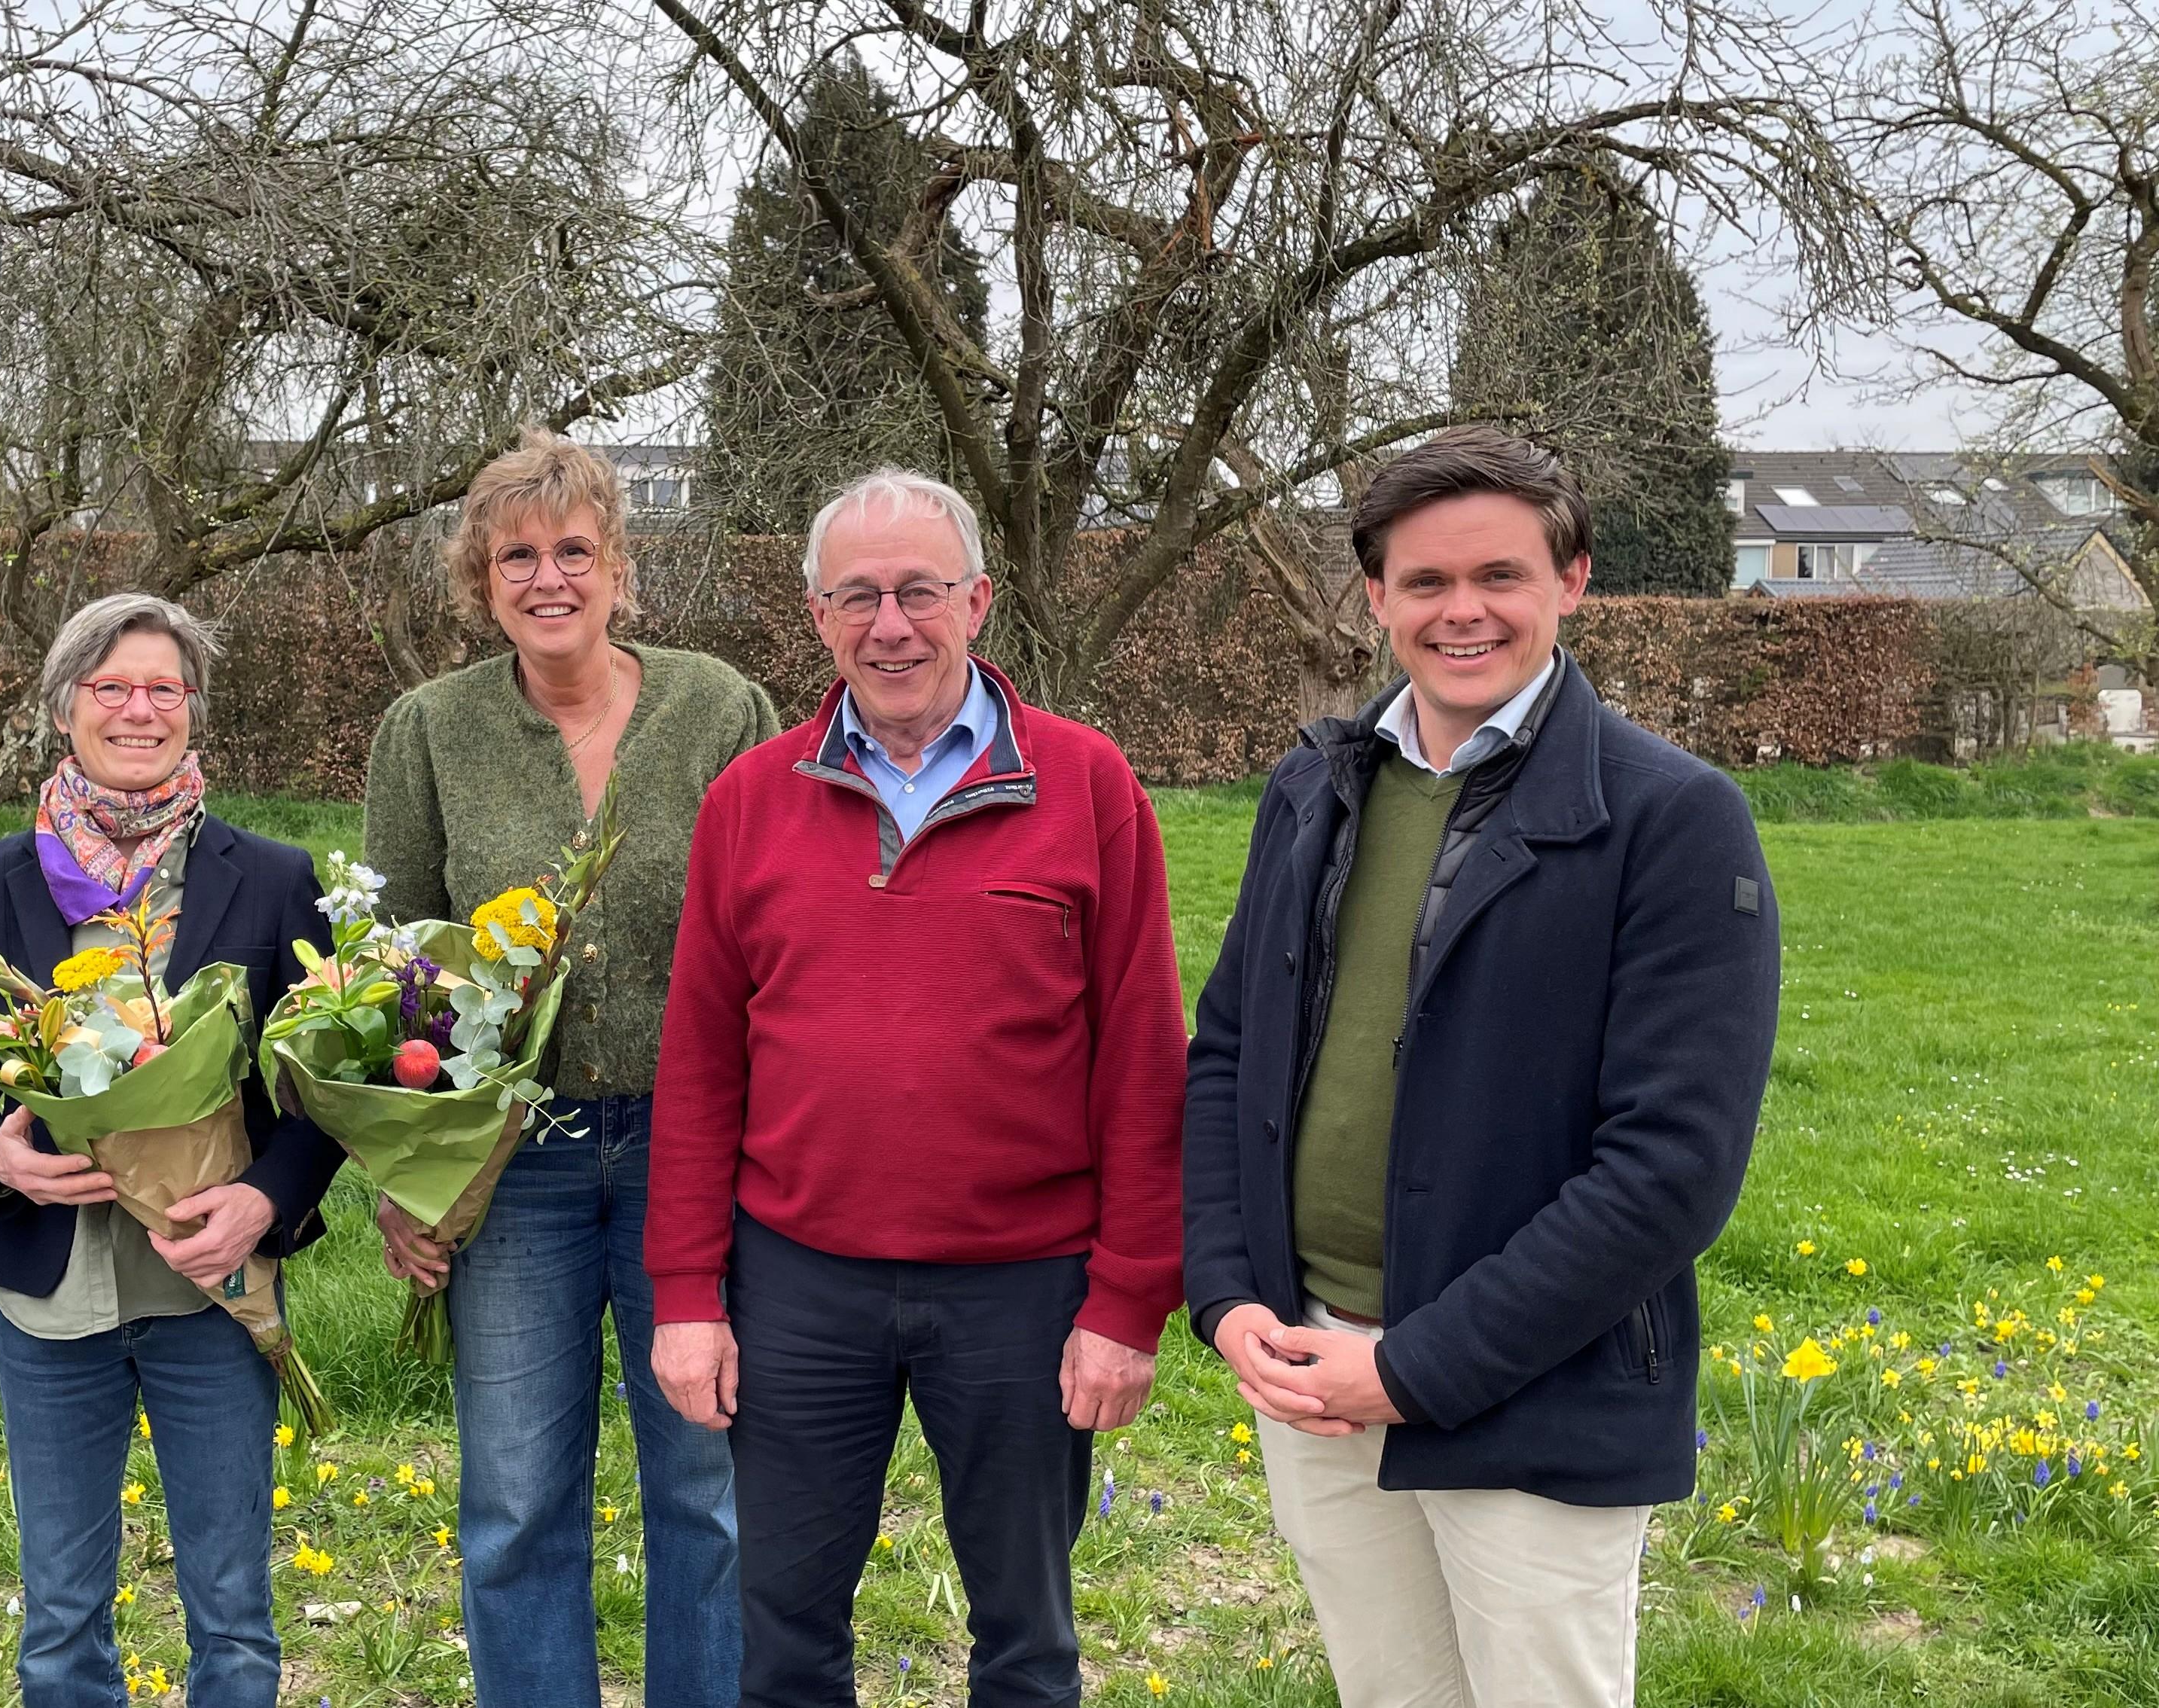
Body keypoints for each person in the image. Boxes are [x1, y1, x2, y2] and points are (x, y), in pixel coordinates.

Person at [1182, 428, 1781, 1708]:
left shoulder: (1670, 818)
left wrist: (1413, 1369)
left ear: (1570, 580)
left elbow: (1672, 1168)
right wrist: (1230, 1296)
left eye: (1501, 576)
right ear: (1377, 597)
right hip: (1313, 1368)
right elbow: (1230, 1053)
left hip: (1533, 1398)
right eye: (1427, 582)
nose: (1464, 612)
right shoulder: (1314, 788)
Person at [647, 468, 1188, 1707]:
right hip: (799, 1282)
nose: (891, 625)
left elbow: (1144, 1062)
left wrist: (1128, 1300)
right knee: (783, 1634)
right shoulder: (750, 799)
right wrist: (686, 1292)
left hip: (1024, 1288)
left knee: (1027, 1638)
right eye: (858, 597)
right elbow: (702, 1064)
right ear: (819, 618)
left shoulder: (1088, 784)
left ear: (978, 601)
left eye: (920, 591)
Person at [361, 425, 777, 1706]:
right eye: (517, 557)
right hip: (512, 1166)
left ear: (620, 565)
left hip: (691, 1155)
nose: (550, 578)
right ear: (480, 582)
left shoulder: (724, 710)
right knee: (518, 1499)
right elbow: (391, 979)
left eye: (575, 550)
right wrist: (405, 1175)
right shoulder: (428, 733)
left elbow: (779, 938)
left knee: (706, 1488)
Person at [0, 593, 343, 1708]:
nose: (138, 709)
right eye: (111, 687)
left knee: (235, 1613)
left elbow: (324, 1092)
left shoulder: (276, 877)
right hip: (52, 1296)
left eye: (163, 688)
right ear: (65, 709)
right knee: (60, 1616)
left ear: (193, 710)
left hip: (214, 1291)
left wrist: (263, 1201)